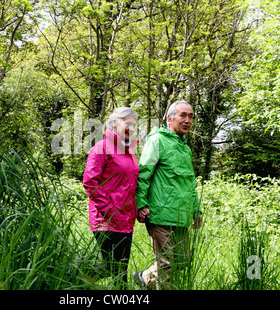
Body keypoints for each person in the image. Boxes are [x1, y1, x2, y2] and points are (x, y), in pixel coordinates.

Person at [133, 100, 203, 290]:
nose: (187, 120)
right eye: (183, 115)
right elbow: (143, 174)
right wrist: (141, 204)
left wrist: (196, 211)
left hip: (182, 215)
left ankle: (143, 278)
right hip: (160, 214)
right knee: (166, 265)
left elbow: (189, 182)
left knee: (182, 262)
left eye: (190, 116)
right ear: (170, 118)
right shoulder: (157, 140)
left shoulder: (185, 148)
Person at [83, 107, 139, 288]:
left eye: (134, 124)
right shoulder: (100, 148)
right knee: (112, 268)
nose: (131, 128)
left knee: (120, 269)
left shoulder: (129, 151)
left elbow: (131, 184)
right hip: (106, 220)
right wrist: (110, 211)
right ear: (114, 123)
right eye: (127, 123)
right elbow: (90, 182)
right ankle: (72, 279)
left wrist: (137, 209)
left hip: (126, 220)